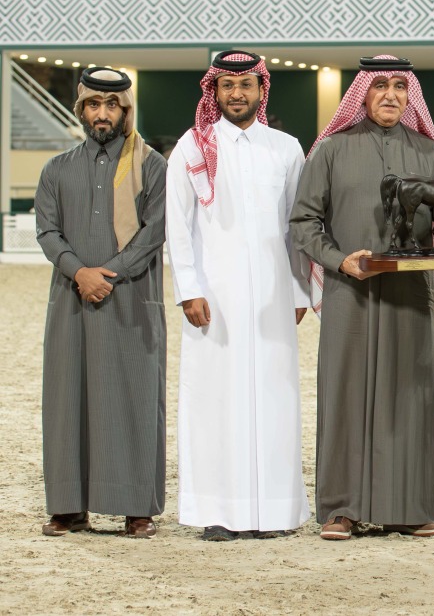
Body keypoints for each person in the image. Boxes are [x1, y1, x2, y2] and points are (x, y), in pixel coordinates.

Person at [291, 55, 434, 541]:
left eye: (400, 85)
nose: (391, 94)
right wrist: (338, 260)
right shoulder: (330, 150)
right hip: (349, 290)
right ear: (362, 95)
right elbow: (304, 223)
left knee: (410, 393)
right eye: (379, 86)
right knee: (344, 391)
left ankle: (410, 506)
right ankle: (340, 509)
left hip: (409, 293)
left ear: (410, 93)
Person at [166, 50, 311, 542]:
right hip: (214, 299)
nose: (236, 94)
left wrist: (298, 289)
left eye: (245, 85)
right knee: (214, 401)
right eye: (227, 86)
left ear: (260, 90)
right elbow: (178, 227)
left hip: (273, 297)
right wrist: (189, 288)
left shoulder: (287, 148)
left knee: (275, 400)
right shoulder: (192, 147)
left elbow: (298, 226)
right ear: (214, 91)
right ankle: (218, 513)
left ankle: (273, 512)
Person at [35, 67, 167, 539]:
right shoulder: (57, 169)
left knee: (133, 397)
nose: (103, 113)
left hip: (131, 300)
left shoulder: (151, 166)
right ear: (81, 110)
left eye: (113, 105)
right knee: (69, 398)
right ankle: (69, 507)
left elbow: (155, 230)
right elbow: (47, 232)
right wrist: (80, 272)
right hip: (71, 302)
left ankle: (136, 508)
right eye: (94, 104)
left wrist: (108, 274)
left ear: (126, 111)